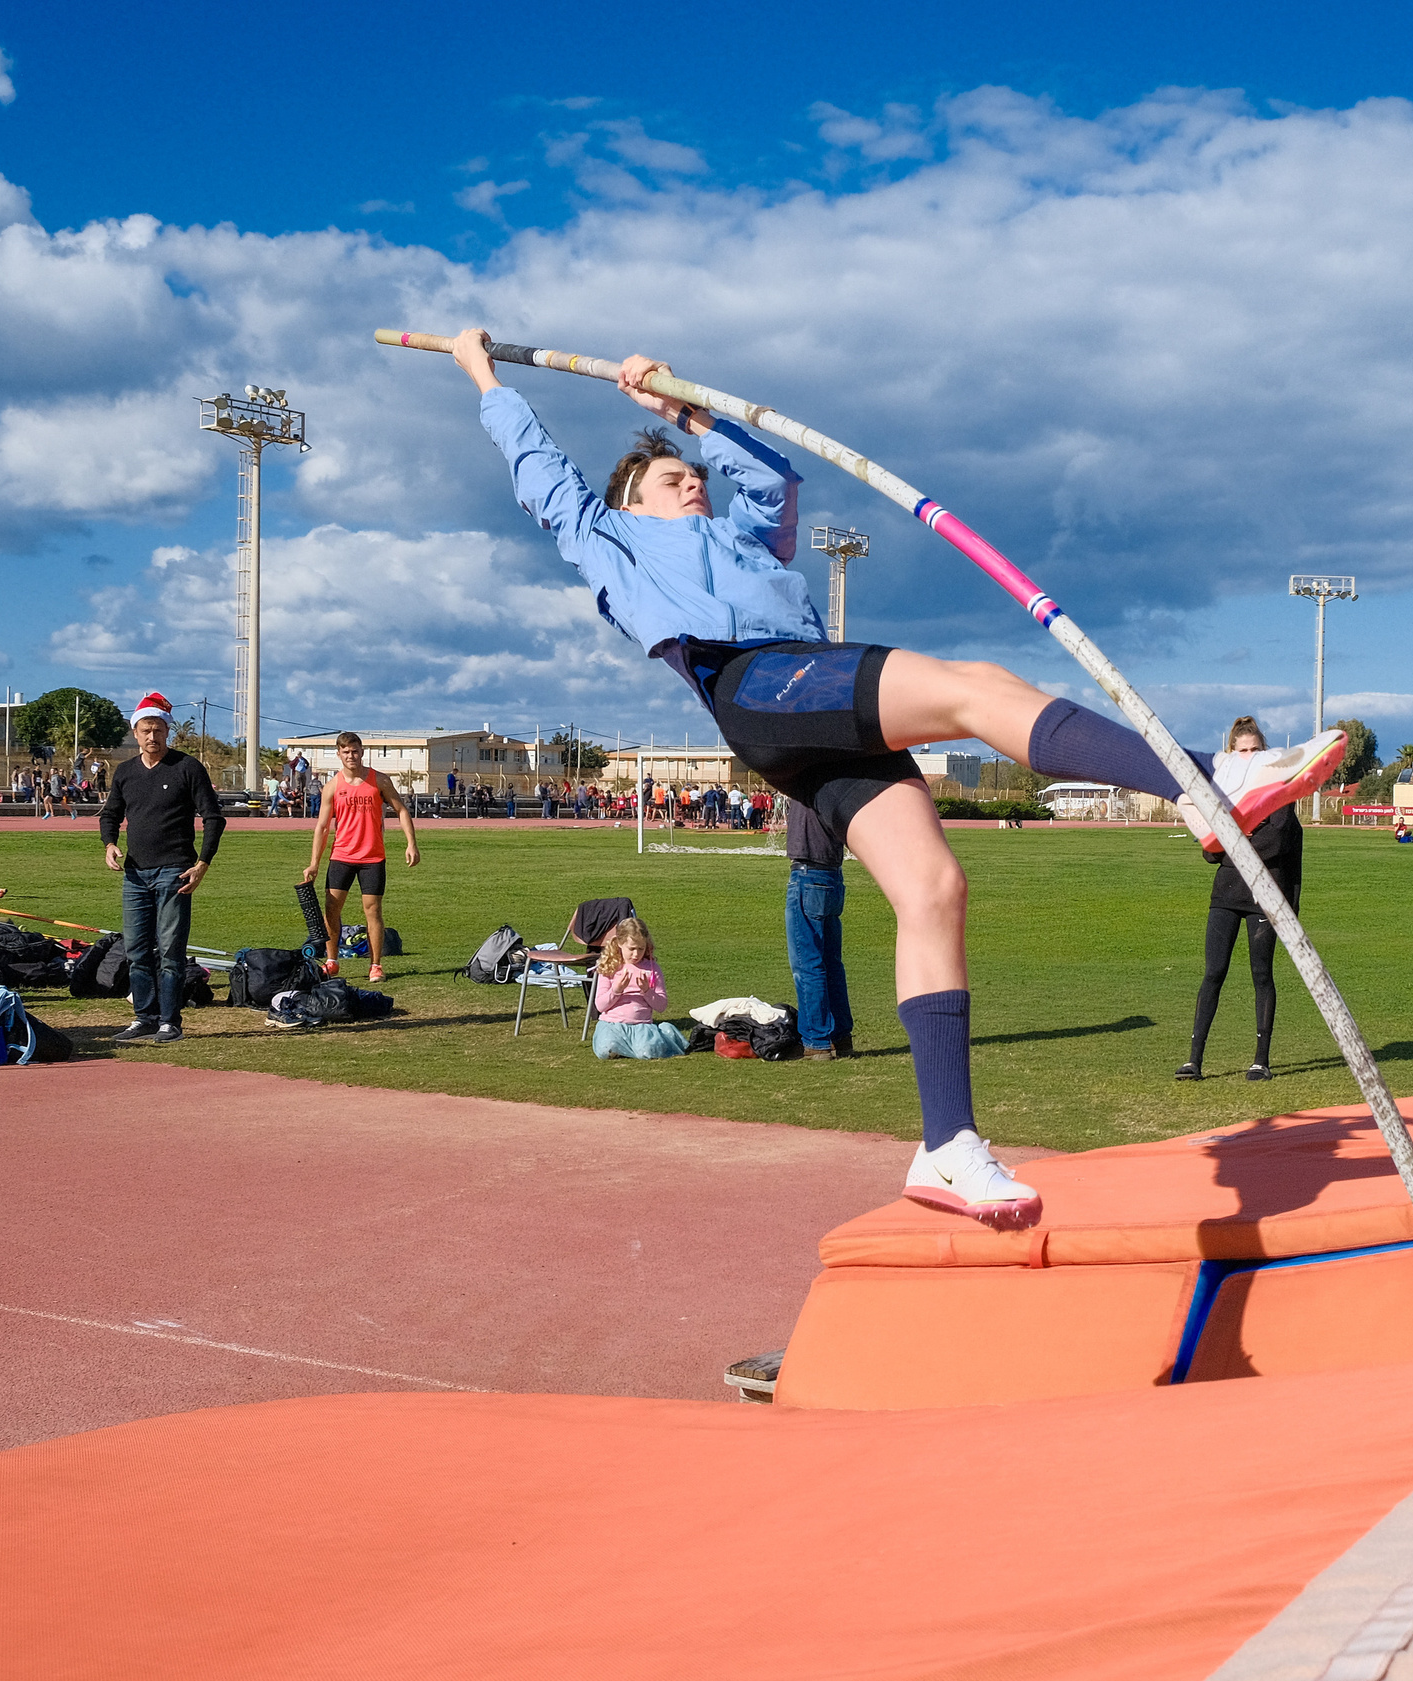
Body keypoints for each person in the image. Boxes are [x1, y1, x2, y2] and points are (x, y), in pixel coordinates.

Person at [452, 330, 1343, 1227]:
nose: (690, 479)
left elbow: (774, 484)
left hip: (814, 698)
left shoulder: (742, 536)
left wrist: (691, 417)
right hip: (755, 683)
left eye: (692, 472)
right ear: (629, 503)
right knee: (975, 689)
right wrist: (483, 372)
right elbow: (543, 477)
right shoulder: (609, 539)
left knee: (933, 886)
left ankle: (945, 1144)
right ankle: (1207, 777)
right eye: (669, 476)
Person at [1175, 717, 1301, 1084]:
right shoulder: (1224, 793)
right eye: (1242, 750)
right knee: (1213, 973)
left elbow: (1275, 843)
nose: (1248, 757)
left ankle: (1261, 1060)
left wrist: (1228, 842)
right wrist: (1221, 842)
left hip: (1264, 898)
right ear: (1232, 753)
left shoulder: (1279, 795)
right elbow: (1210, 851)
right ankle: (1193, 1061)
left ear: (1266, 752)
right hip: (1226, 894)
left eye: (1255, 750)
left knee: (1261, 975)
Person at [98, 692, 224, 1043]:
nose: (152, 737)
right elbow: (111, 813)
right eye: (145, 731)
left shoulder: (187, 768)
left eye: (158, 730)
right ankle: (144, 1017)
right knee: (136, 950)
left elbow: (213, 818)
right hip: (135, 874)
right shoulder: (125, 772)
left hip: (175, 872)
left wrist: (202, 864)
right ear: (135, 732)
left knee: (170, 951)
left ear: (168, 732)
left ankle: (170, 1021)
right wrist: (110, 844)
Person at [302, 731, 420, 983]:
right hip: (341, 856)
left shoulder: (380, 781)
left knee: (373, 911)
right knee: (332, 910)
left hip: (372, 858)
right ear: (339, 754)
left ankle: (375, 965)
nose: (350, 756)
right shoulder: (333, 786)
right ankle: (332, 962)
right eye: (345, 752)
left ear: (362, 752)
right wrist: (314, 863)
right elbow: (322, 828)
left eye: (354, 751)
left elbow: (401, 810)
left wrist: (411, 844)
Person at [785, 798, 855, 1061]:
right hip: (832, 875)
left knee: (807, 964)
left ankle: (816, 1040)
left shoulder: (806, 785)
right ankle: (840, 1036)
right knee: (831, 963)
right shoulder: (835, 793)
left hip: (808, 874)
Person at [590, 918, 694, 1059]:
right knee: (605, 1050)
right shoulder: (610, 967)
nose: (636, 954)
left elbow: (661, 1006)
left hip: (641, 1025)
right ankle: (626, 1045)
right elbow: (600, 1006)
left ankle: (662, 1034)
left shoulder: (651, 969)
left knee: (648, 1052)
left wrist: (647, 991)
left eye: (641, 949)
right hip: (612, 1024)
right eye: (631, 949)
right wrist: (617, 990)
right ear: (620, 943)